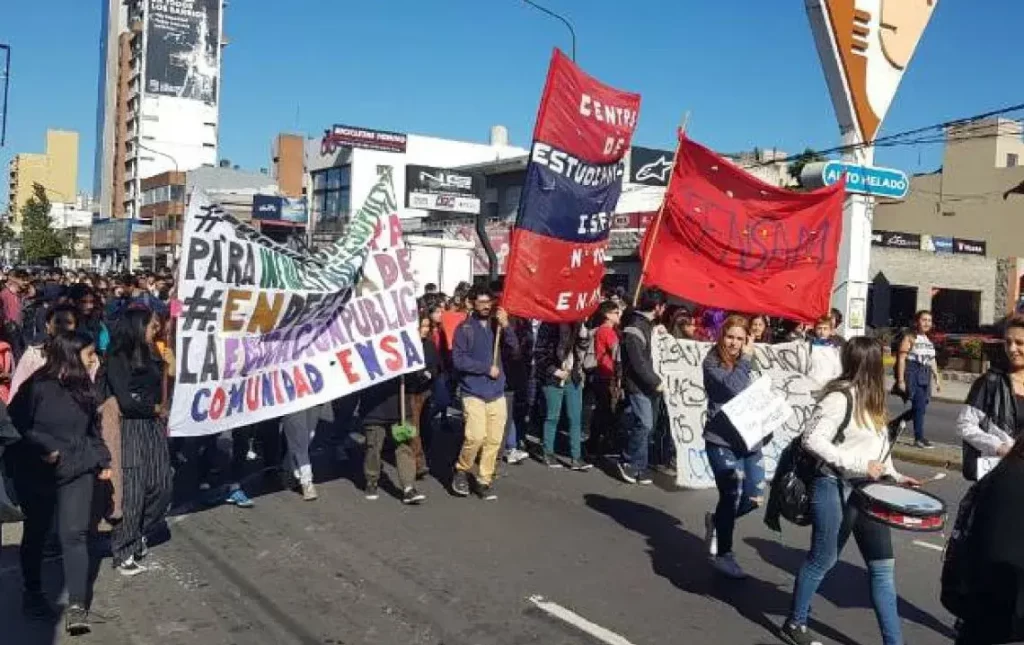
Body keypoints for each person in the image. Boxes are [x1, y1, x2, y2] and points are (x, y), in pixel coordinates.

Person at [780, 337, 920, 645]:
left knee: (883, 570)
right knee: (822, 560)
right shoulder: (839, 398)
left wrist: (895, 475)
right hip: (834, 486)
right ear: (870, 364)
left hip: (870, 493)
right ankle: (795, 623)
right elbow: (812, 440)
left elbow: (879, 449)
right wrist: (856, 462)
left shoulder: (874, 401)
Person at [10, 332, 111, 634]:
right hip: (37, 473)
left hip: (78, 469)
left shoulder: (86, 388)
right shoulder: (36, 387)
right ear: (70, 355)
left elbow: (93, 430)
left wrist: (103, 459)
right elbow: (15, 426)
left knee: (74, 534)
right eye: (89, 353)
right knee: (37, 533)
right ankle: (33, 593)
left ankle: (77, 605)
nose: (94, 358)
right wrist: (43, 447)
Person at [107, 308, 173, 576]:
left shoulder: (153, 352)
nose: (155, 331)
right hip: (131, 426)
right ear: (137, 326)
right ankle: (125, 548)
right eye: (151, 326)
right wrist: (153, 408)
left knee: (162, 484)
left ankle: (141, 532)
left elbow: (164, 385)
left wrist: (168, 364)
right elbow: (125, 400)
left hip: (154, 426)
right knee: (135, 487)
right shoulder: (116, 357)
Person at [702, 314, 764, 579]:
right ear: (721, 335)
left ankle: (718, 521)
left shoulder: (751, 361)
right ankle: (724, 554)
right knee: (730, 495)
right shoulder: (711, 361)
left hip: (750, 440)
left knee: (754, 499)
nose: (734, 343)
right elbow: (734, 388)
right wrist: (747, 359)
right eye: (730, 337)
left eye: (740, 338)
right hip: (721, 440)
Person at [450, 287, 517, 500]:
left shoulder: (498, 326)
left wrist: (507, 326)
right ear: (471, 304)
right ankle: (462, 468)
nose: (486, 306)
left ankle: (484, 479)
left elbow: (515, 351)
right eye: (481, 302)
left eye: (489, 302)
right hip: (473, 390)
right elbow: (458, 360)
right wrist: (485, 368)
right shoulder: (464, 329)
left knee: (494, 440)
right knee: (475, 436)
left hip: (496, 391)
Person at [957, 315, 1024, 479]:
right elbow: (964, 425)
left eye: (1019, 343)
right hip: (998, 474)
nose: (1012, 349)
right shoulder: (990, 382)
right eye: (1008, 342)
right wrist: (999, 446)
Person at [618, 288, 667, 485]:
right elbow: (639, 363)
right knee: (645, 424)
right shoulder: (635, 328)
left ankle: (640, 465)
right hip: (639, 385)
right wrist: (656, 381)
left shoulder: (647, 326)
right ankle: (630, 462)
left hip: (648, 385)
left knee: (645, 425)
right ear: (657, 307)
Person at [359, 376, 425, 505]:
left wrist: (417, 377)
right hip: (374, 409)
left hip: (400, 409)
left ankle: (408, 487)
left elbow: (415, 382)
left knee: (404, 448)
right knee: (373, 447)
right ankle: (372, 480)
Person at [536, 321, 591, 471]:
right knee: (552, 416)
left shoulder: (578, 325)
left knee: (575, 417)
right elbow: (540, 353)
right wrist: (555, 371)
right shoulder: (548, 324)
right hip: (554, 377)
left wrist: (584, 333)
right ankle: (548, 452)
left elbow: (582, 350)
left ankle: (576, 456)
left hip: (573, 376)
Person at [895, 310, 940, 449]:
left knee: (921, 407)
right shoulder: (909, 337)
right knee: (919, 407)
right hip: (913, 372)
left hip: (925, 374)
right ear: (917, 321)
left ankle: (894, 425)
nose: (927, 323)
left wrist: (937, 377)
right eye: (924, 320)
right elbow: (902, 359)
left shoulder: (928, 340)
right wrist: (901, 380)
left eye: (929, 320)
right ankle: (918, 438)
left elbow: (932, 360)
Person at [588, 300, 622, 457]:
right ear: (607, 315)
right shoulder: (607, 331)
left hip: (605, 375)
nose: (619, 314)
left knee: (603, 411)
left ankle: (595, 444)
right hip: (606, 375)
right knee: (605, 412)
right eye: (616, 312)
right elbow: (617, 352)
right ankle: (596, 445)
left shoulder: (608, 330)